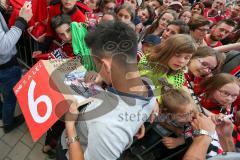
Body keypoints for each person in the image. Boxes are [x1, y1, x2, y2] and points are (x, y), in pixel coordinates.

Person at [57, 21, 157, 160]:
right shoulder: (148, 85)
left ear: (106, 65)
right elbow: (146, 107)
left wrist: (70, 126)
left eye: (96, 64)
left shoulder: (106, 127)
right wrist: (134, 124)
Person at [158, 82, 222, 158]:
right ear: (167, 112)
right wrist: (175, 129)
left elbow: (195, 134)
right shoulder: (162, 113)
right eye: (183, 116)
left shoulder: (194, 113)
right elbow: (161, 121)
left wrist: (179, 141)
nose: (189, 118)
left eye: (190, 112)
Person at [0, 1, 32, 133]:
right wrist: (22, 20)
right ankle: (8, 123)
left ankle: (1, 112)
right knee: (10, 98)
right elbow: (4, 47)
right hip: (5, 66)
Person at [138, 34, 196, 101]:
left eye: (187, 58)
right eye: (177, 55)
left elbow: (172, 98)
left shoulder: (180, 76)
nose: (182, 61)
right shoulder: (149, 60)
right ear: (166, 51)